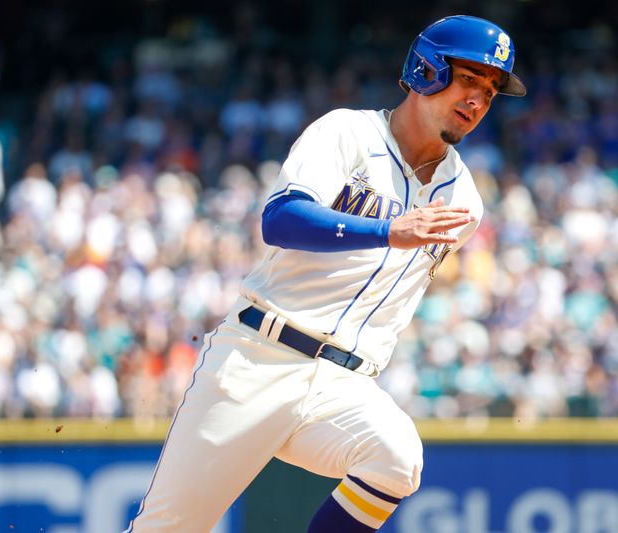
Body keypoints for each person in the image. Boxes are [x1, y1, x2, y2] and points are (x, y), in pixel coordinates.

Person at [128, 14, 526, 532]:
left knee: (397, 457)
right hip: (258, 359)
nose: (478, 99)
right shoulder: (347, 132)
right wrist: (388, 230)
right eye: (469, 79)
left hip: (342, 383)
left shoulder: (464, 200)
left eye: (491, 90)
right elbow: (280, 219)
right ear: (426, 70)